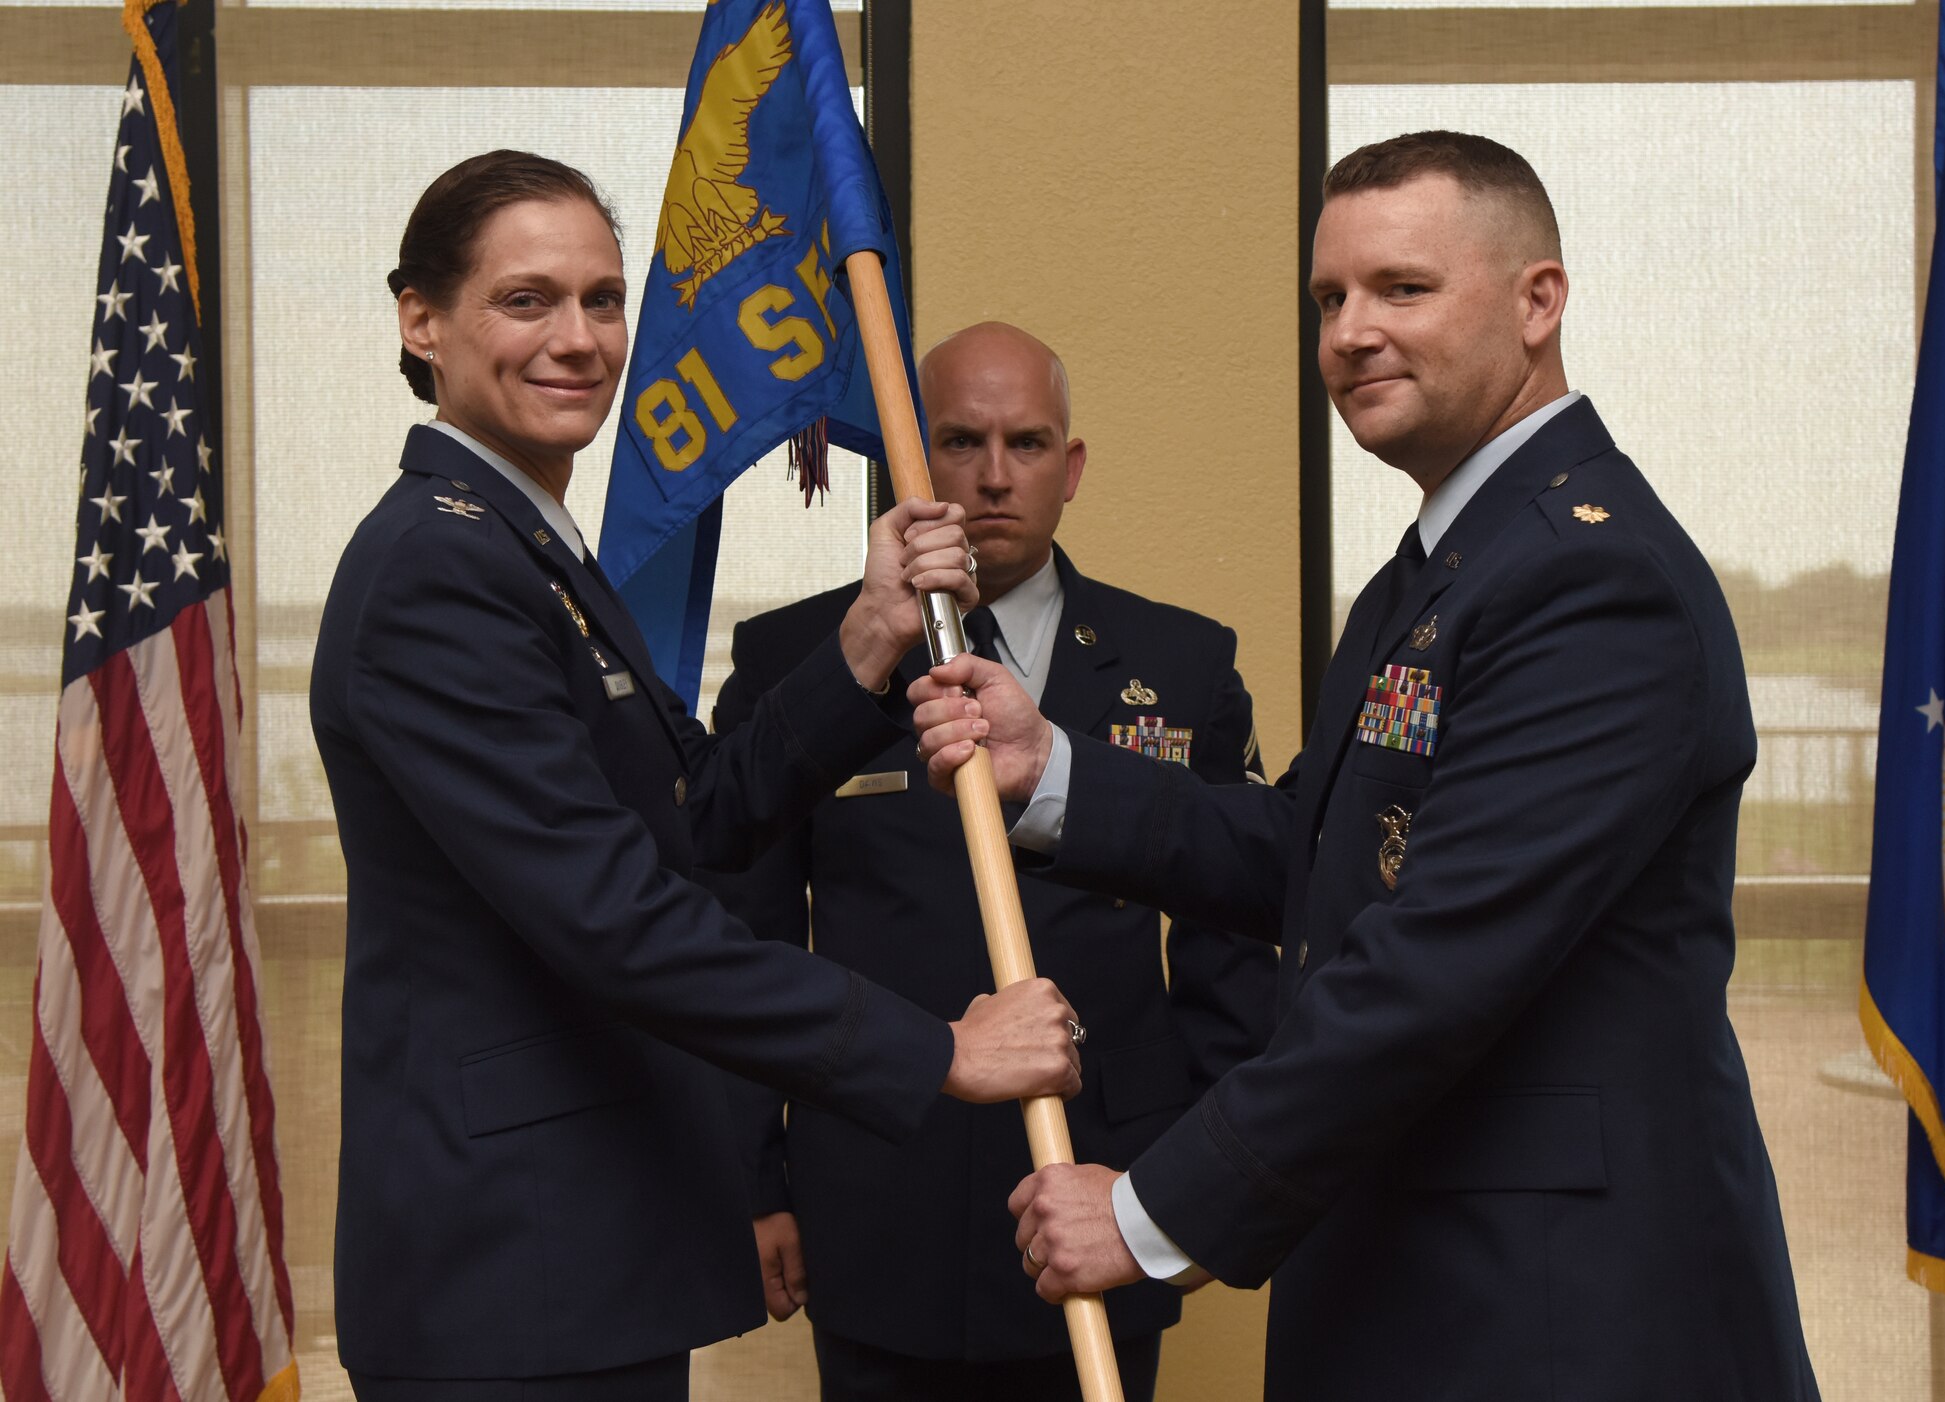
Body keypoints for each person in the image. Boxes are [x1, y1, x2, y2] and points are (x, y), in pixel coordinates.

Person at [910, 132, 1820, 1401]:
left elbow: (1433, 958)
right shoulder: (1438, 567)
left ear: (1536, 302)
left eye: (1401, 288)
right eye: (1327, 298)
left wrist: (1151, 1210)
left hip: (1556, 1309)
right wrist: (1054, 767)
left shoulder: (1586, 578)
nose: (1347, 333)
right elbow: (1319, 853)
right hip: (1423, 1273)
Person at [310, 150, 1084, 1402]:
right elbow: (617, 915)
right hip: (511, 1271)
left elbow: (694, 821)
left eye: (603, 300)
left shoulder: (531, 550)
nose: (578, 339)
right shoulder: (437, 572)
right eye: (526, 300)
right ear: (421, 320)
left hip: (586, 1242)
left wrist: (867, 638)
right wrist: (937, 1048)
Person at [703, 321, 1277, 1402]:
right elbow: (744, 930)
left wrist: (1192, 1182)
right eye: (960, 441)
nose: (995, 475)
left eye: (1027, 442)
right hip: (875, 1184)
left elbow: (1233, 947)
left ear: (1071, 468)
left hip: (1102, 1185)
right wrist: (753, 1175)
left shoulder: (1182, 663)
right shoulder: (804, 659)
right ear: (910, 463)